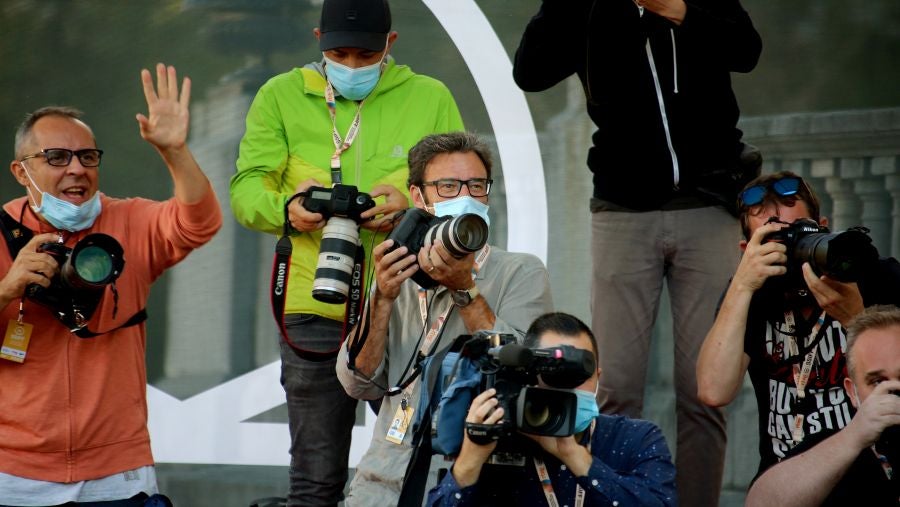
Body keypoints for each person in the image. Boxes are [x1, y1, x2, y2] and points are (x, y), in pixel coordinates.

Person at [512, 1, 762, 505]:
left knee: (705, 394)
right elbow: (531, 72)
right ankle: (612, 499)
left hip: (709, 205)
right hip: (621, 210)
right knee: (615, 388)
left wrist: (682, 10)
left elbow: (746, 51)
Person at [229, 0, 464, 503]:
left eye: (366, 54)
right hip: (317, 299)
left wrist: (412, 204)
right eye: (339, 53)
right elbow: (247, 190)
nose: (353, 66)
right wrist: (287, 210)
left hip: (408, 304)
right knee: (315, 479)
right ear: (318, 39)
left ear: (391, 45)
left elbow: (461, 188)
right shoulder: (280, 95)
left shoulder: (429, 95)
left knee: (415, 468)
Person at [0, 64, 221, 505]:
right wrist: (8, 288)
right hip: (13, 474)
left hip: (118, 474)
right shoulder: (3, 232)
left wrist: (175, 150)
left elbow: (200, 223)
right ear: (21, 172)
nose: (76, 169)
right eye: (56, 158)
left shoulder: (129, 221)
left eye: (87, 157)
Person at [335, 132, 554, 506]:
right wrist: (383, 298)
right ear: (419, 197)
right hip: (383, 478)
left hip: (470, 477)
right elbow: (359, 384)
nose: (466, 196)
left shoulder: (520, 271)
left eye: (477, 185)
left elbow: (522, 374)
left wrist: (465, 289)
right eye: (449, 186)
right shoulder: (398, 272)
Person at [696, 171, 900, 480]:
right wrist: (742, 285)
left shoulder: (875, 275)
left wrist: (856, 319)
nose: (791, 251)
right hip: (785, 480)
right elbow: (713, 390)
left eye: (799, 234)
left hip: (868, 480)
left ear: (823, 228)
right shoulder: (749, 292)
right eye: (773, 241)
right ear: (747, 251)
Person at [427, 312, 678, 506]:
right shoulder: (501, 440)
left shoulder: (635, 437)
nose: (567, 387)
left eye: (579, 375)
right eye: (554, 375)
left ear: (598, 377)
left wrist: (577, 457)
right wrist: (471, 457)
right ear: (528, 376)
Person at [745, 304, 900, 506]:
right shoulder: (840, 449)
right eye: (877, 382)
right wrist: (854, 436)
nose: (893, 390)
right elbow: (759, 504)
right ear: (852, 392)